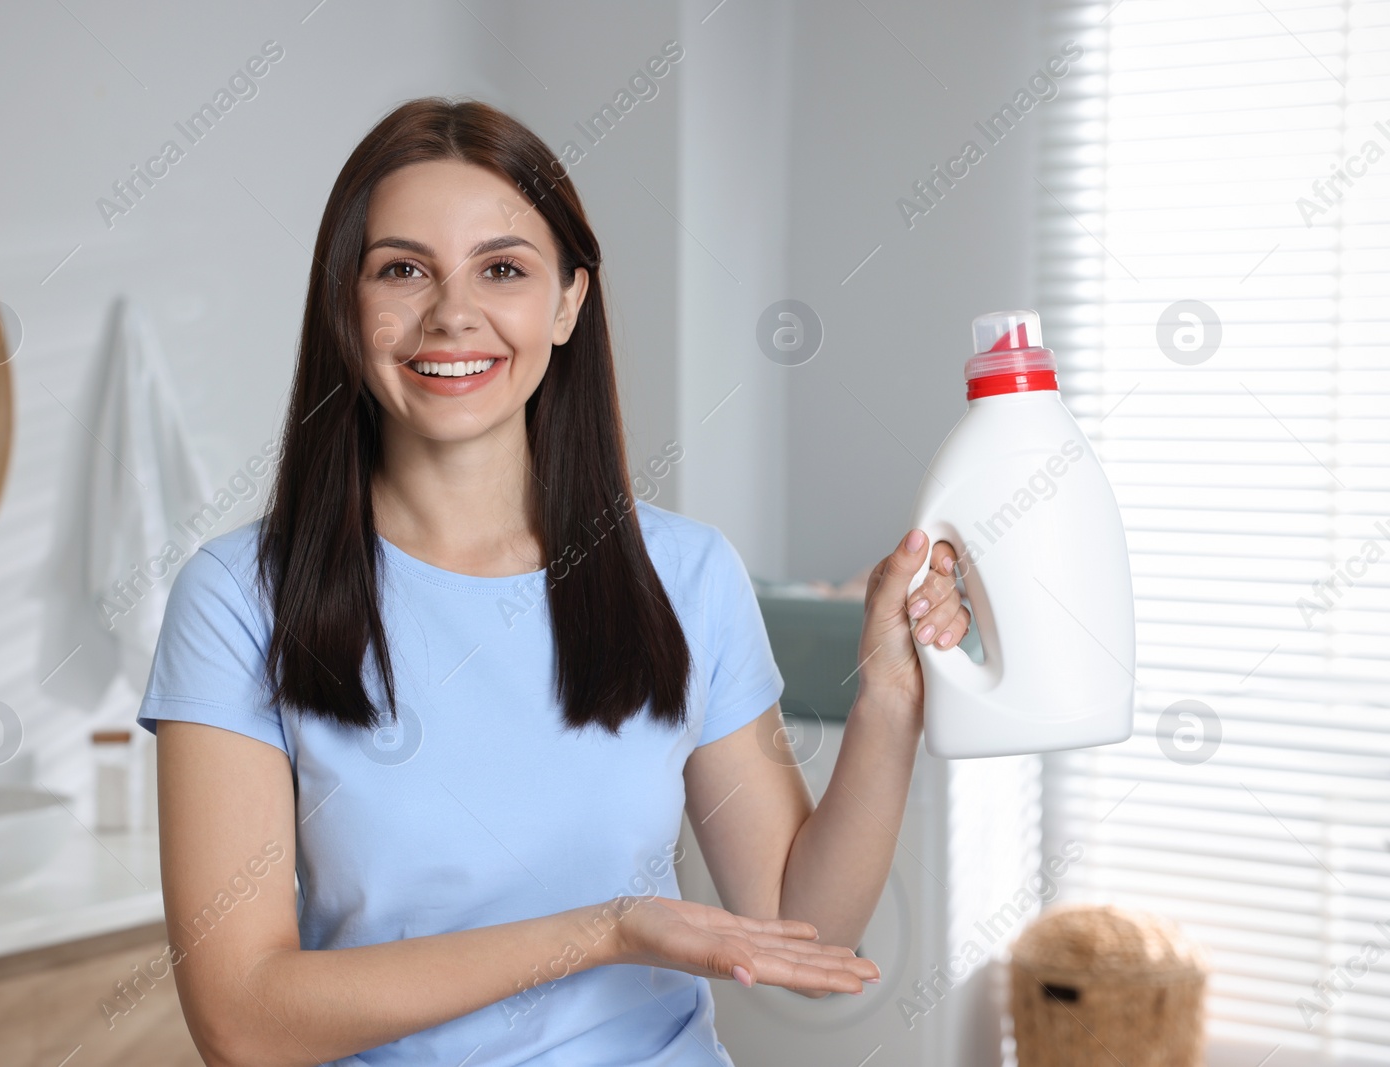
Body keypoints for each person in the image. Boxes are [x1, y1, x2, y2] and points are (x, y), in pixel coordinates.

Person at [137, 97, 970, 1067]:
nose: (453, 312)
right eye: (402, 269)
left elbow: (797, 926)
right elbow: (242, 1018)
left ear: (568, 300)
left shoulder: (684, 573)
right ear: (345, 304)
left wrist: (888, 699)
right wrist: (606, 929)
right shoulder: (240, 598)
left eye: (503, 269)